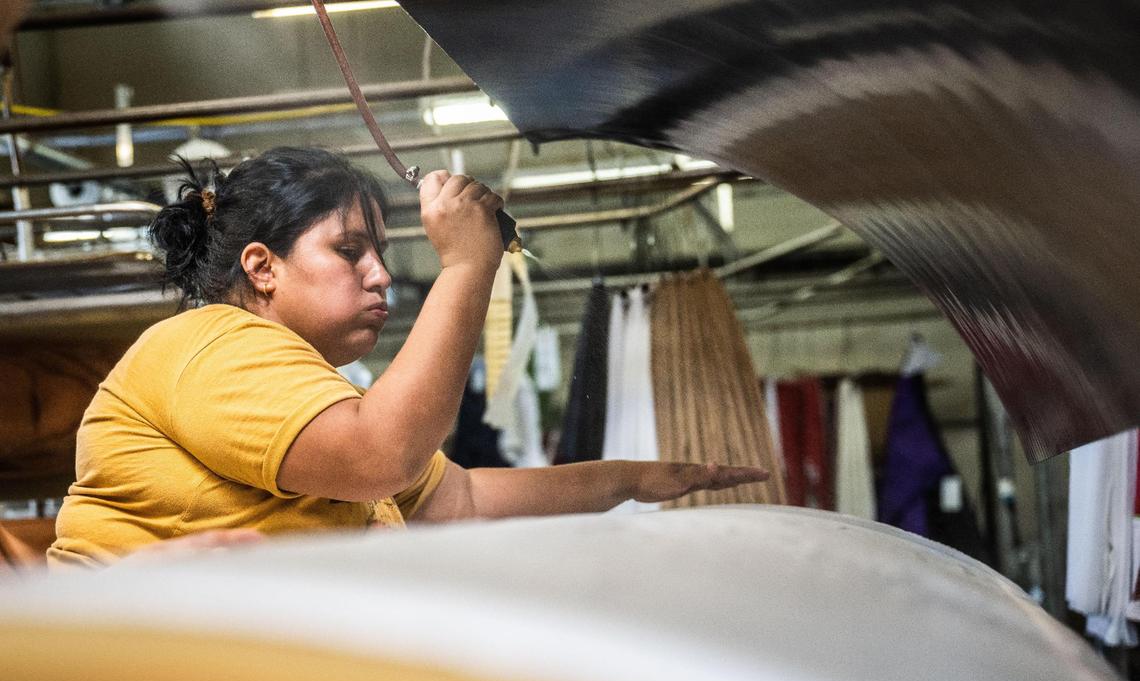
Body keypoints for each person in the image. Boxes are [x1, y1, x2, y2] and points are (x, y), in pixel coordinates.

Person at [48, 147, 767, 567]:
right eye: (350, 251)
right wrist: (465, 267)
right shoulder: (209, 346)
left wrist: (639, 478)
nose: (382, 276)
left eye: (380, 255)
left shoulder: (306, 390)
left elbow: (466, 501)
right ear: (262, 268)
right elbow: (379, 456)